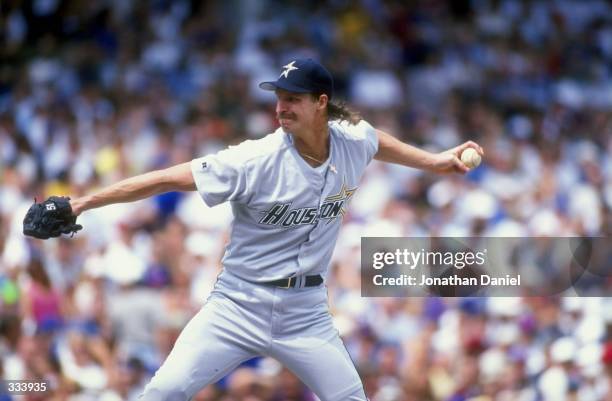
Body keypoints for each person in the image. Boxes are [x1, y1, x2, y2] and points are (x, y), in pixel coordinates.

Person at [69, 58, 484, 401]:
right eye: (279, 99)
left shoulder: (353, 140)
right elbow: (164, 179)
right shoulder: (255, 159)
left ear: (321, 103)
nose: (281, 108)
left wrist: (435, 162)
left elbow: (376, 140)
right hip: (238, 304)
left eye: (292, 100)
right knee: (163, 393)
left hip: (306, 312)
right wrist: (83, 202)